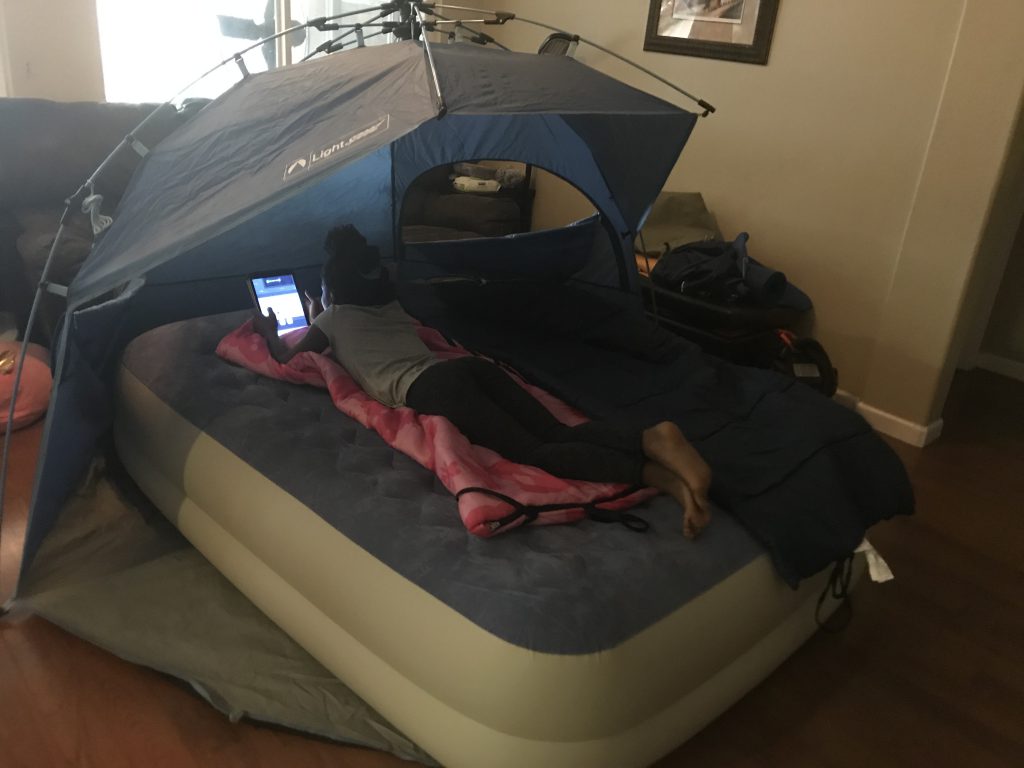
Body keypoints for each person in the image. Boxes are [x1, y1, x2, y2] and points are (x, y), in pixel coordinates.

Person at [253, 226, 713, 538]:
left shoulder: (329, 320)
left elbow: (290, 358)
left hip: (433, 389)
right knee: (558, 431)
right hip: (468, 368)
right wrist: (328, 307)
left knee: (539, 453)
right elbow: (358, 315)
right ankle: (655, 442)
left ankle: (652, 465)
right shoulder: (391, 305)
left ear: (332, 290)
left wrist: (272, 328)